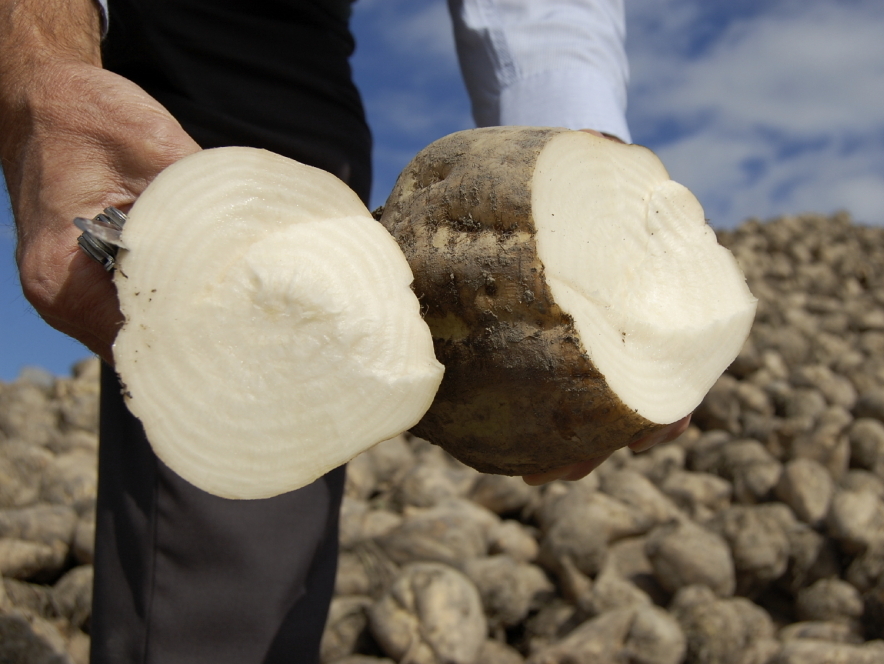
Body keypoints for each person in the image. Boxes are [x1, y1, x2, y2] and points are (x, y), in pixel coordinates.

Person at [0, 0, 690, 661]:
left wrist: (586, 166)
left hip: (297, 35)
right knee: (220, 455)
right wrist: (40, 68)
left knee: (309, 408)